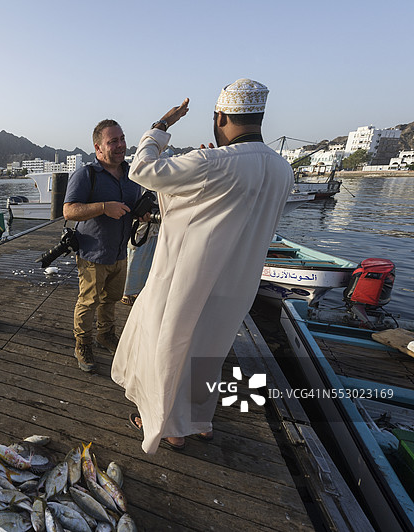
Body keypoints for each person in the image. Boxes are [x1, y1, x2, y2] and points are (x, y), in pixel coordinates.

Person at [111, 79, 293, 453]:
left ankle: (168, 428)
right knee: (209, 353)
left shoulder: (214, 162)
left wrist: (160, 126)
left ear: (221, 116)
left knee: (169, 349)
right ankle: (201, 421)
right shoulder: (282, 169)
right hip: (237, 284)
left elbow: (143, 169)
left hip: (188, 280)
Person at [63, 120, 142, 372]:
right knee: (88, 302)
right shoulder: (86, 175)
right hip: (92, 254)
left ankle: (105, 335)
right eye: (113, 141)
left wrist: (143, 214)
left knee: (112, 299)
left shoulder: (131, 176)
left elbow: (133, 208)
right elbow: (69, 210)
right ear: (98, 148)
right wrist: (103, 207)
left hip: (120, 252)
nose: (120, 145)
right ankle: (82, 343)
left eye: (122, 139)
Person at [120, 203, 159, 306]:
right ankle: (126, 292)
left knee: (148, 262)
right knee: (133, 260)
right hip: (141, 225)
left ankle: (140, 290)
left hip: (154, 225)